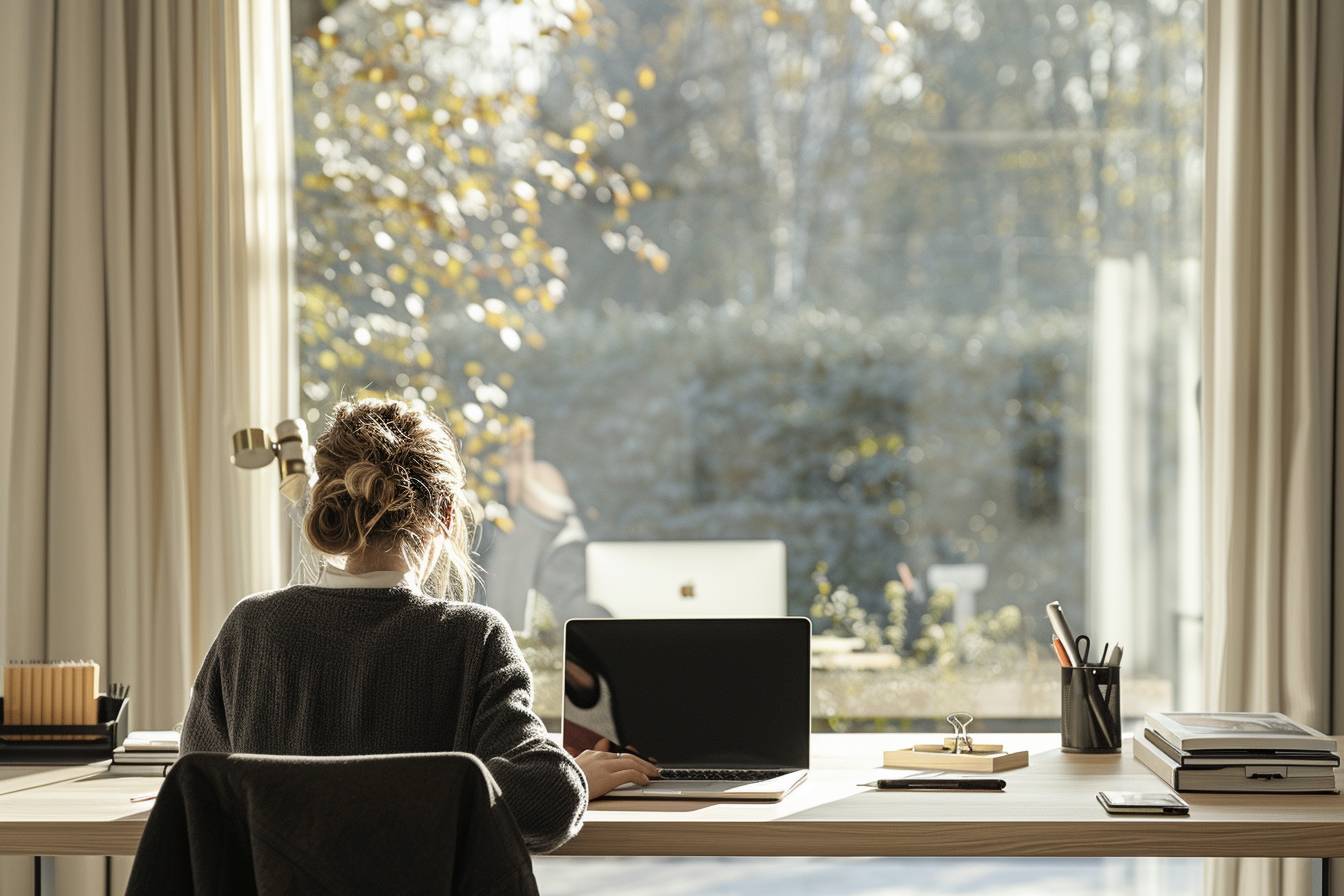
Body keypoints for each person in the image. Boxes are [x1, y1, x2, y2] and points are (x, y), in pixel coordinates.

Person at [180, 398, 658, 852]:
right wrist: (576, 777)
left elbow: (196, 791)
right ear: (447, 515)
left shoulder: (250, 629)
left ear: (327, 503)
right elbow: (544, 802)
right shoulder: (473, 637)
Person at [478, 418, 612, 632]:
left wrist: (524, 451)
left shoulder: (561, 542)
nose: (511, 475)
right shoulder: (505, 531)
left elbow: (531, 492)